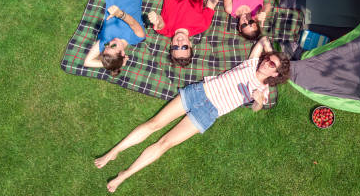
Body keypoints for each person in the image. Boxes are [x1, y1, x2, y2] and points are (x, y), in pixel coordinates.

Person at [94, 36, 290, 193]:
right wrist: (271, 50)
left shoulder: (263, 90)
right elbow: (262, 40)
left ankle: (124, 175)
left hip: (209, 112)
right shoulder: (252, 62)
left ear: (275, 75)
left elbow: (257, 108)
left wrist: (256, 100)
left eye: (272, 65)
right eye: (268, 59)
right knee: (154, 123)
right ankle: (114, 151)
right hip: (199, 92)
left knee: (165, 143)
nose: (266, 62)